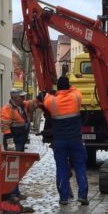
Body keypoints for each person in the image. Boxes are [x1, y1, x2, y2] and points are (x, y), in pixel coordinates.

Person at [38, 73, 88, 206]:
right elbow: (74, 89)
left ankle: (63, 198)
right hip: (75, 140)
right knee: (80, 167)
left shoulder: (52, 101)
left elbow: (45, 96)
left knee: (61, 168)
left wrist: (54, 92)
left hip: (60, 141)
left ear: (58, 88)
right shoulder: (77, 97)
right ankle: (82, 196)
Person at [0, 86, 36, 210]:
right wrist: (10, 144)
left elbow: (32, 104)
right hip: (13, 141)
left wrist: (41, 98)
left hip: (20, 140)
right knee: (13, 169)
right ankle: (12, 193)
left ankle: (16, 192)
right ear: (15, 98)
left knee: (17, 167)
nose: (23, 98)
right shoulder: (7, 109)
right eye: (21, 96)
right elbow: (5, 127)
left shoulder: (22, 105)